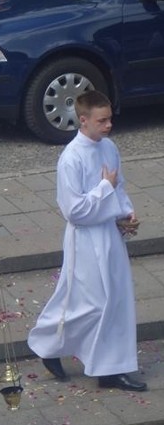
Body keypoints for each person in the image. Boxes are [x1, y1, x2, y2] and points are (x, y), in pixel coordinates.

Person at [28, 91, 147, 392]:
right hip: (85, 239)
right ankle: (48, 344)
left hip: (109, 233)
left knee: (115, 299)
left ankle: (110, 368)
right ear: (83, 120)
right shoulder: (71, 158)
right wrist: (104, 189)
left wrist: (125, 215)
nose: (108, 125)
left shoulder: (109, 148)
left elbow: (120, 189)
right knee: (92, 302)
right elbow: (74, 211)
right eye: (102, 120)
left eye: (109, 119)